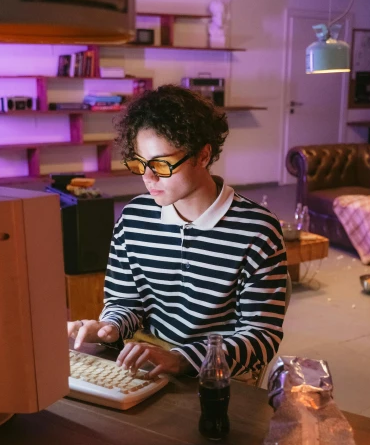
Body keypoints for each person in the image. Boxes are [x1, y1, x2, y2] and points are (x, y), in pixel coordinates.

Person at [67, 85, 287, 380]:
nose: (148, 177)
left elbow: (261, 337)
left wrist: (183, 359)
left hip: (218, 372)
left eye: (162, 164)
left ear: (203, 156)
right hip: (148, 357)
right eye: (140, 163)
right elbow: (126, 302)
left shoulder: (257, 231)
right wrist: (111, 327)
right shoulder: (133, 218)